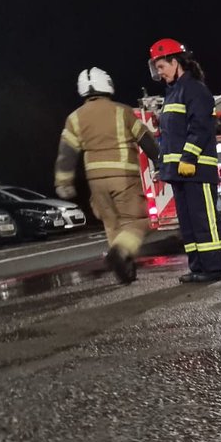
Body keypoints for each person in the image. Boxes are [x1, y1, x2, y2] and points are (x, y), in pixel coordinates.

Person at [54, 67, 160, 284]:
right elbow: (146, 140)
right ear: (107, 85)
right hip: (124, 178)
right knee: (138, 221)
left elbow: (66, 153)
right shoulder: (122, 111)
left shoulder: (74, 118)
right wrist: (162, 162)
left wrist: (63, 182)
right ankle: (120, 253)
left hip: (96, 182)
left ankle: (124, 270)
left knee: (112, 225)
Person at [147, 38, 221, 284]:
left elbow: (201, 127)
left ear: (176, 62)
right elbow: (170, 136)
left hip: (197, 170)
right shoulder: (173, 93)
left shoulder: (195, 90)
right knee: (189, 224)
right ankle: (197, 267)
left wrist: (189, 157)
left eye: (162, 67)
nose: (160, 73)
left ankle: (213, 268)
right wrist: (164, 167)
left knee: (204, 221)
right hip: (179, 172)